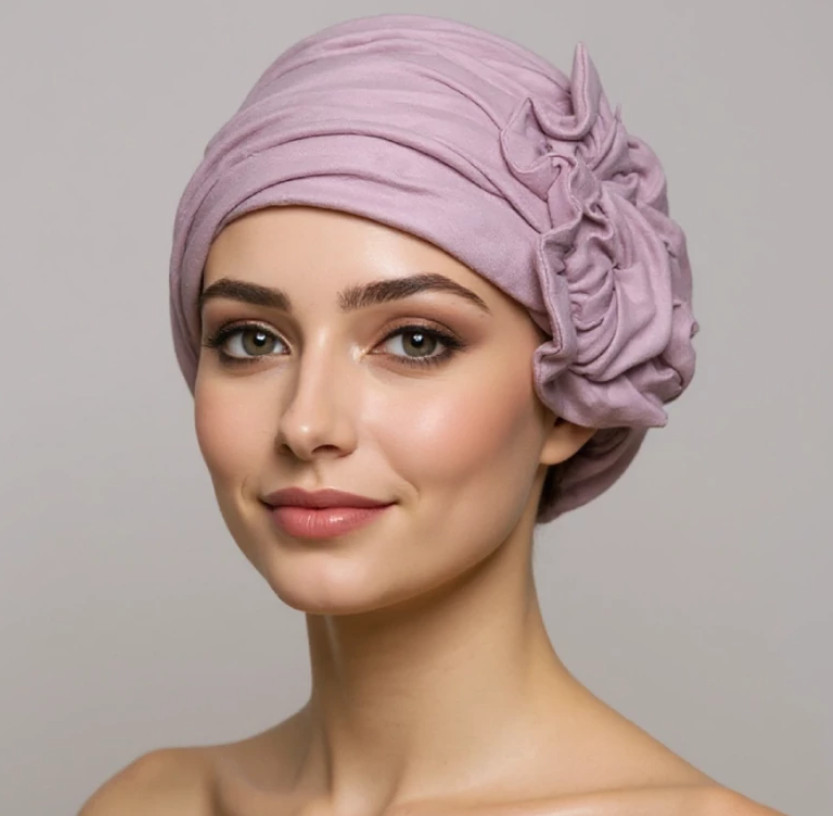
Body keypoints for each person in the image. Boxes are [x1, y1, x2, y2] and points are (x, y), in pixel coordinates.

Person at [79, 13, 785, 816]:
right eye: (252, 339)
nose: (306, 425)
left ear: (569, 400)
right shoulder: (150, 802)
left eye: (415, 341)